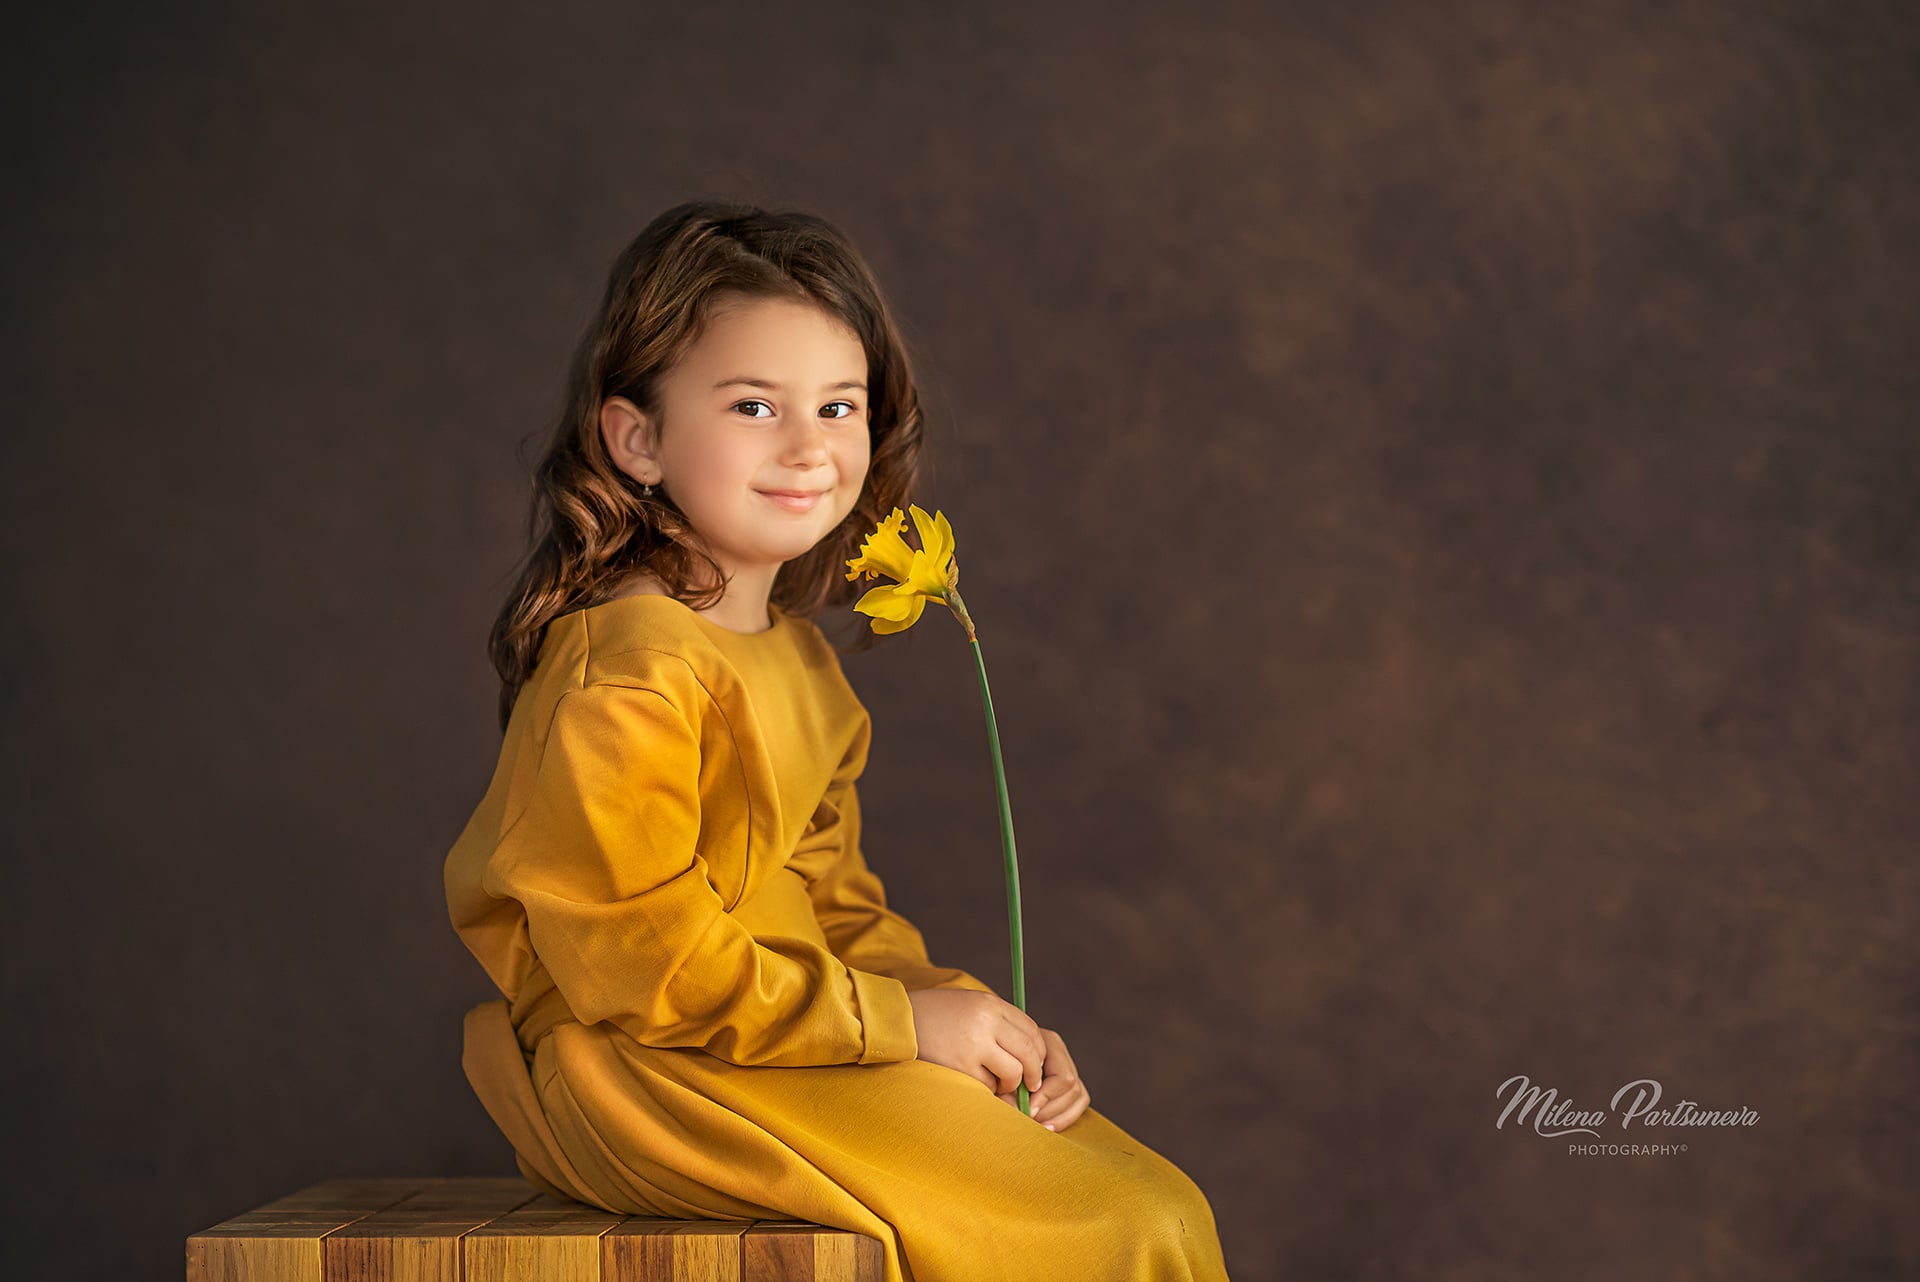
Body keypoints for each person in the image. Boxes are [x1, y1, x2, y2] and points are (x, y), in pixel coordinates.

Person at [442, 200, 1232, 1282]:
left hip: (802, 1030)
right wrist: (902, 1025)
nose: (809, 446)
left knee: (1160, 1203)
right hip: (650, 1065)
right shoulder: (627, 674)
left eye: (839, 405)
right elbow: (646, 968)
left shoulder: (802, 665)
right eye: (755, 405)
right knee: (1099, 1234)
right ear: (637, 438)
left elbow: (839, 909)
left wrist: (974, 1020)